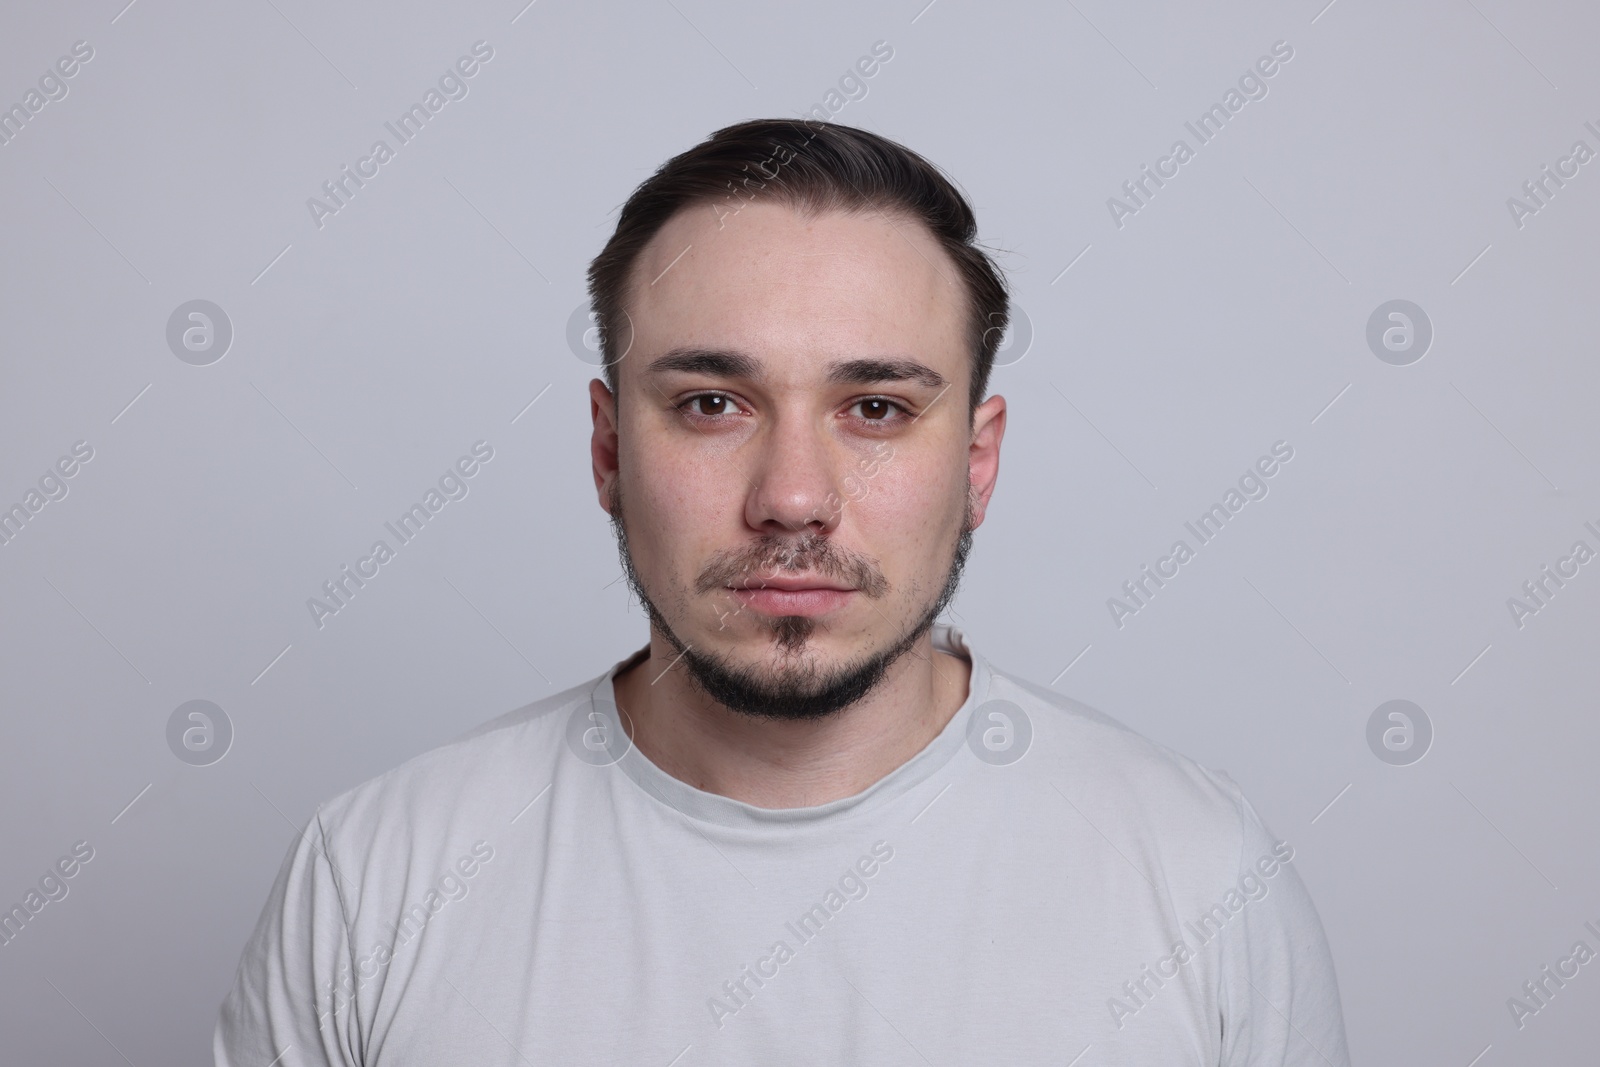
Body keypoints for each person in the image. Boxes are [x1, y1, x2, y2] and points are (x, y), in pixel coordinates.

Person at [215, 118, 1350, 1065]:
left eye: (877, 409)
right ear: (608, 449)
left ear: (978, 460)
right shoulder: (372, 883)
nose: (794, 498)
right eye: (713, 402)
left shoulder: (1200, 882)